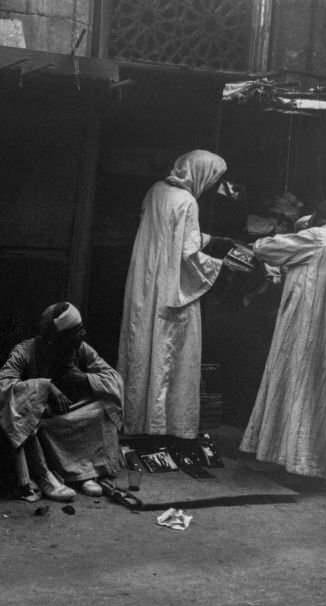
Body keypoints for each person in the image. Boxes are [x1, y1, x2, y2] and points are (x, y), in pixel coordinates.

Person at [240, 200, 326, 479]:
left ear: (318, 218)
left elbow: (264, 248)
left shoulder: (316, 238)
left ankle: (283, 456)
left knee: (291, 386)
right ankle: (309, 462)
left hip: (302, 330)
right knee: (317, 396)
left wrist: (299, 227)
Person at [117, 149, 229, 440]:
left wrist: (213, 239)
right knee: (170, 354)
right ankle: (163, 426)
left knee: (142, 345)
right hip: (171, 287)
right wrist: (221, 264)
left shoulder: (156, 191)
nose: (214, 186)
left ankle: (137, 418)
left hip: (145, 282)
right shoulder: (188, 201)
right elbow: (188, 253)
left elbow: (166, 233)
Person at [0, 302, 124, 502]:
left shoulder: (82, 350)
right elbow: (2, 386)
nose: (83, 335)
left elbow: (114, 379)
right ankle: (45, 476)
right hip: (44, 418)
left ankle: (88, 473)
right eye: (76, 332)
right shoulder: (25, 351)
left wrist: (83, 378)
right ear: (55, 339)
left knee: (103, 408)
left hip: (72, 413)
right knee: (25, 417)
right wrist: (45, 388)